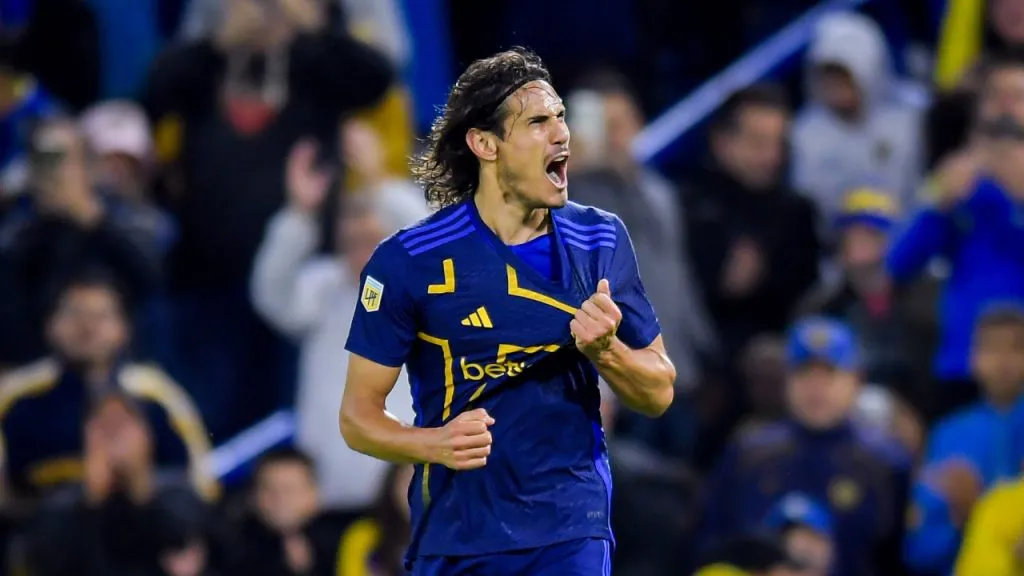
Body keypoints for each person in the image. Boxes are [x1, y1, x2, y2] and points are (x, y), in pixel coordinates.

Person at [339, 48, 676, 575]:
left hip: (571, 525)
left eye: (561, 117)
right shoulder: (407, 262)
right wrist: (434, 443)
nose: (562, 134)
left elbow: (658, 392)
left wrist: (607, 352)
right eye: (538, 122)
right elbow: (358, 418)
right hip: (457, 533)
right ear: (484, 144)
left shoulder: (600, 239)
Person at [701, 317, 911, 576]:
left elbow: (901, 559)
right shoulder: (748, 452)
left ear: (856, 379)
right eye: (804, 373)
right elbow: (712, 545)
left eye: (829, 374)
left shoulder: (886, 463)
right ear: (787, 379)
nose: (815, 388)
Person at [904, 305, 1024, 575]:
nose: (1003, 361)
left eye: (1016, 348)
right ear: (973, 358)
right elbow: (919, 549)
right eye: (992, 348)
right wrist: (960, 518)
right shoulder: (949, 434)